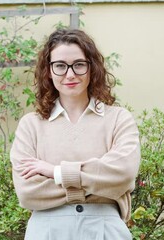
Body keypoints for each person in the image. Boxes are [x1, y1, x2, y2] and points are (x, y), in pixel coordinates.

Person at [10, 28, 141, 240]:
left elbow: (123, 173)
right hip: (46, 231)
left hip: (106, 229)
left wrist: (54, 172)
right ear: (49, 71)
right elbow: (28, 192)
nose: (70, 74)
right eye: (60, 66)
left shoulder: (118, 119)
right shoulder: (30, 125)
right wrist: (97, 184)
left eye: (79, 64)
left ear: (92, 68)